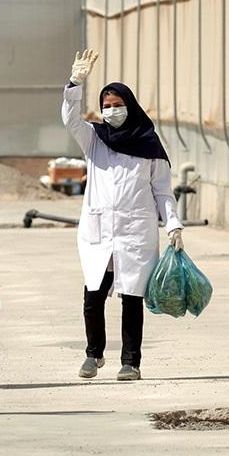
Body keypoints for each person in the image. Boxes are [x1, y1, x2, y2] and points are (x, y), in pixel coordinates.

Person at [60, 49, 183, 382]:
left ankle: (131, 362)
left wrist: (173, 224)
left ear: (130, 105)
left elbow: (162, 191)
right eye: (107, 105)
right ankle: (93, 354)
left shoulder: (150, 145)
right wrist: (74, 83)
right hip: (98, 232)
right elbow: (70, 119)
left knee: (132, 298)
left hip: (136, 233)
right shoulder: (95, 140)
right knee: (93, 295)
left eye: (117, 104)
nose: (112, 110)